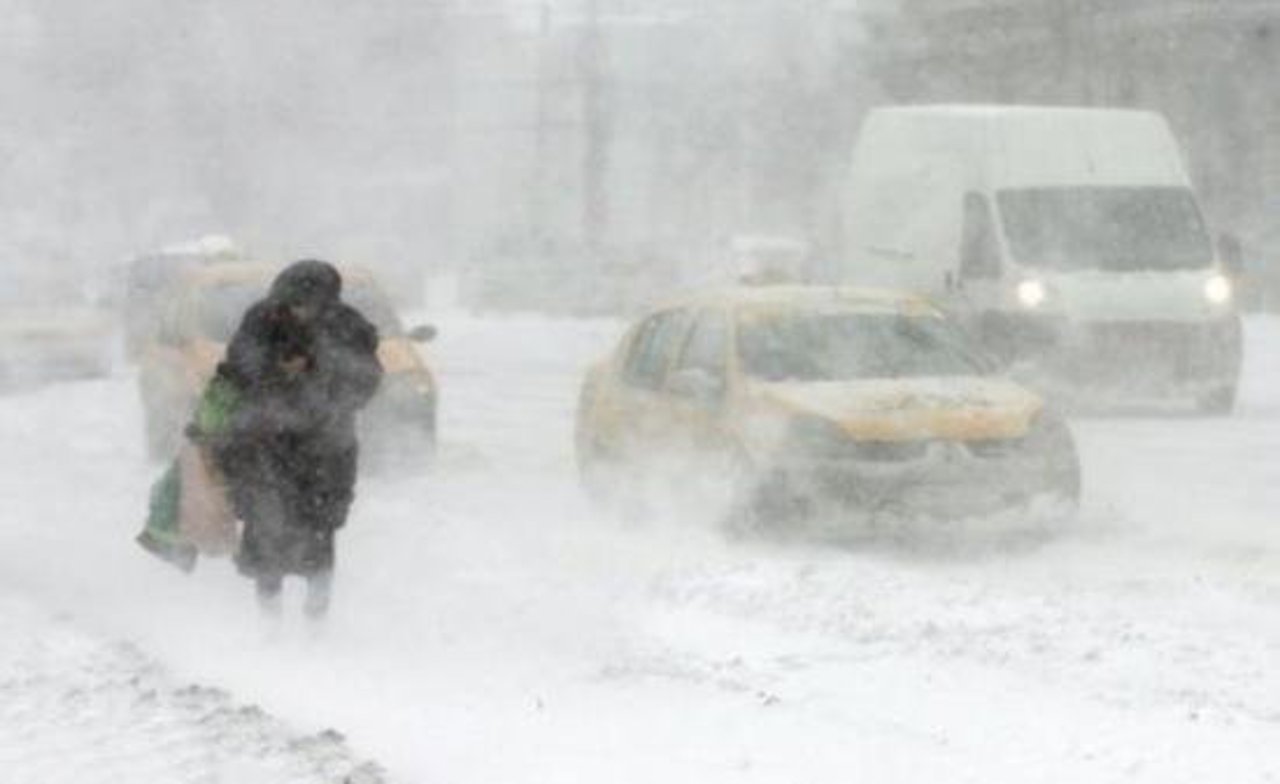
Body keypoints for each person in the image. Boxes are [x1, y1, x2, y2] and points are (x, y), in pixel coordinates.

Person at [204, 260, 382, 618]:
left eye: (307, 304)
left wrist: (316, 372)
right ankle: (270, 626)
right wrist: (275, 373)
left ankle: (316, 625)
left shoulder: (349, 327)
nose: (298, 312)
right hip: (266, 447)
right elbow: (237, 368)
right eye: (292, 304)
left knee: (320, 537)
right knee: (266, 532)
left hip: (327, 454)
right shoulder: (261, 319)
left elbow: (365, 381)